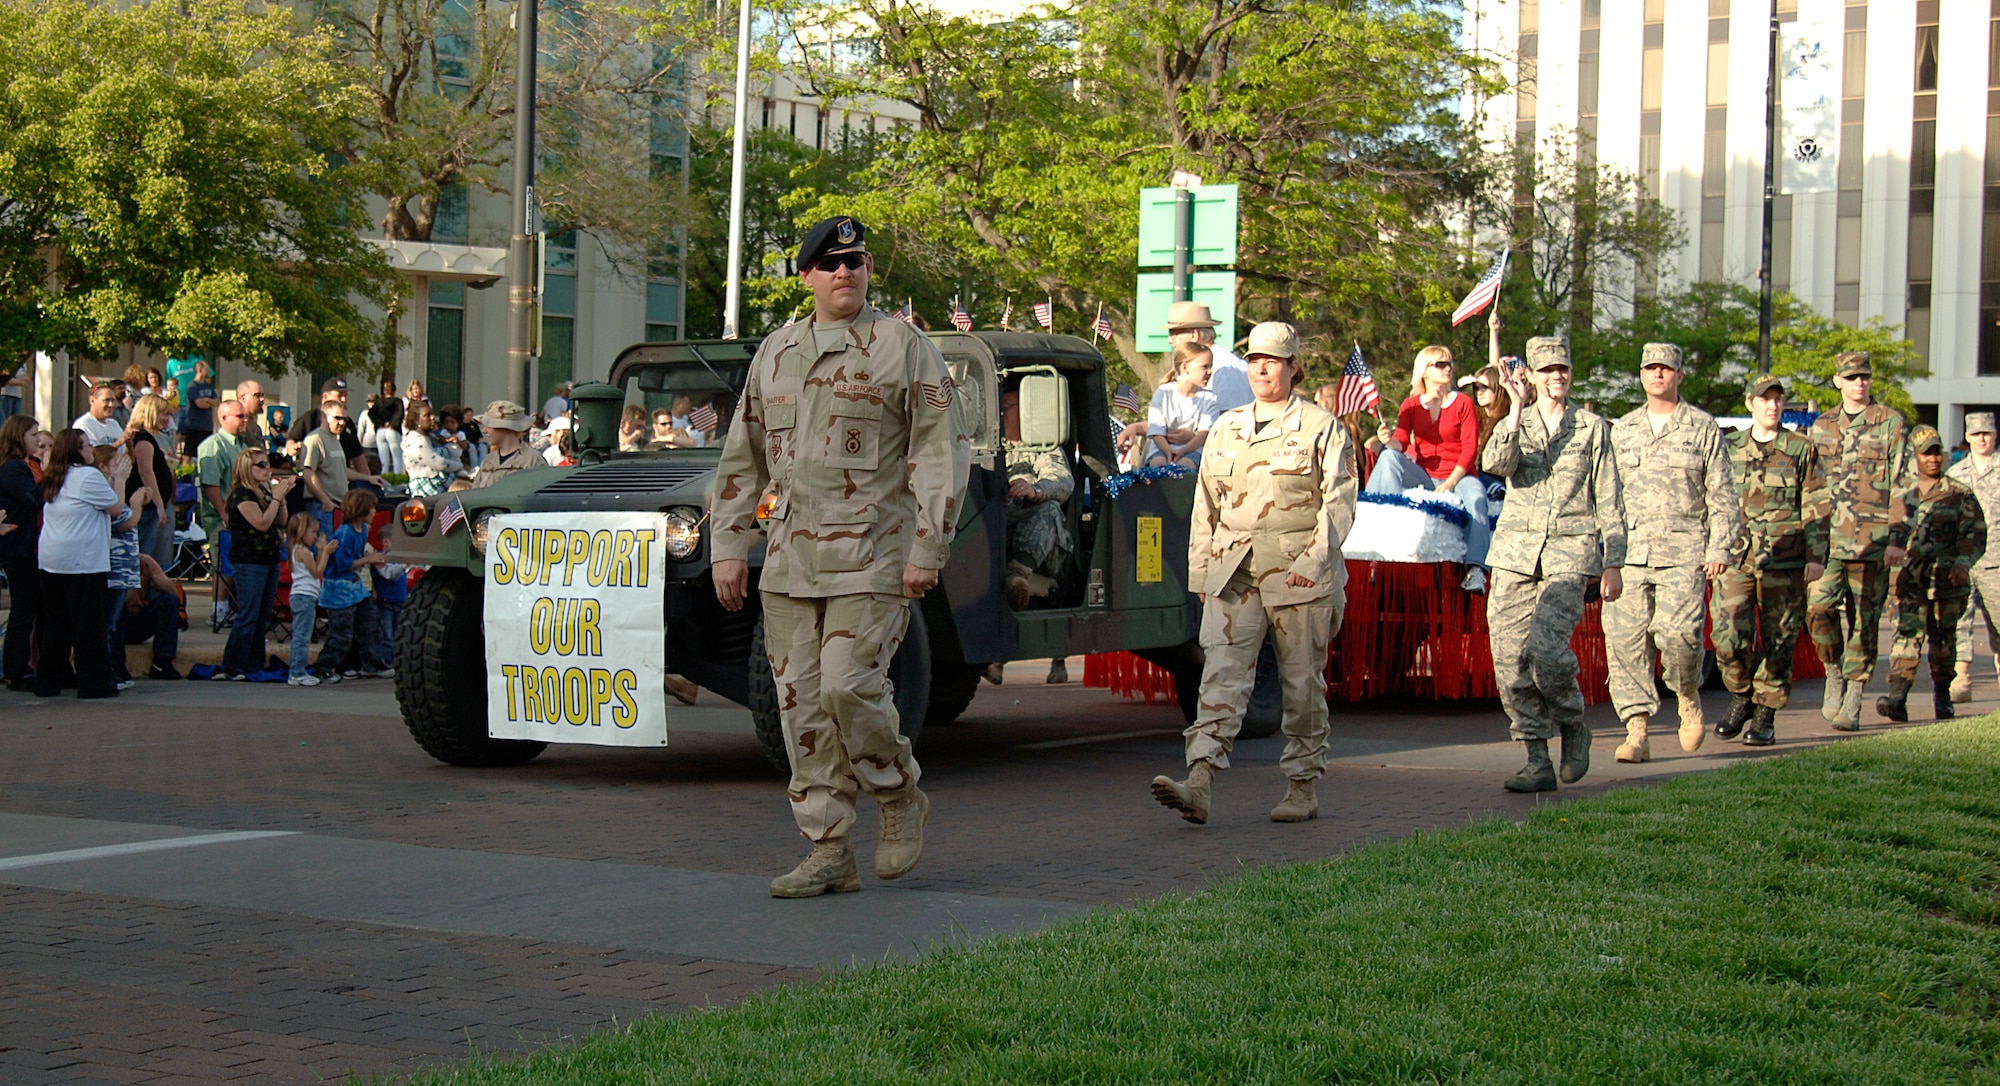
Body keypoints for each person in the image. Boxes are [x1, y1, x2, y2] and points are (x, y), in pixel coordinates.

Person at [710, 214, 968, 899]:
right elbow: (744, 455)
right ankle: (828, 849)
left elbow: (941, 450)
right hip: (791, 559)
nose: (844, 272)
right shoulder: (777, 351)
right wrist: (728, 547)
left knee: (846, 686)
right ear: (807, 277)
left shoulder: (902, 346)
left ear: (868, 271)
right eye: (830, 264)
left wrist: (929, 546)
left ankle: (897, 793)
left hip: (874, 555)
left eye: (855, 262)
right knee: (800, 707)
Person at [1150, 321, 1355, 825]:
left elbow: (1340, 502)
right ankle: (1198, 782)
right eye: (1255, 359)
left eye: (1274, 360)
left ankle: (1302, 786)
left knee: (1301, 685)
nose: (1262, 367)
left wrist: (1313, 563)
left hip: (1298, 573)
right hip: (1233, 572)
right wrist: (1201, 574)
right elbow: (1206, 506)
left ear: (1292, 367)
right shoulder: (1226, 426)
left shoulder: (1320, 426)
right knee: (1219, 679)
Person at [1482, 337, 1626, 792]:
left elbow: (1610, 496)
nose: (1556, 377)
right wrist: (1514, 410)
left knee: (1546, 652)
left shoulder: (1591, 428)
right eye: (1546, 370)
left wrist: (1614, 562)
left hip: (1569, 551)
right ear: (1531, 376)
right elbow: (1495, 463)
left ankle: (1572, 723)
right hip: (1514, 555)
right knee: (1509, 659)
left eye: (1562, 369)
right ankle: (1536, 756)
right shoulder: (1516, 421)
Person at [1602, 343, 1741, 762]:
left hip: (1684, 550)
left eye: (1666, 368)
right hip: (1629, 553)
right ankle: (1637, 730)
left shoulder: (1702, 427)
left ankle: (1686, 693)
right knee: (1625, 643)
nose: (1658, 374)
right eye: (1650, 368)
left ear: (1680, 375)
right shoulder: (1622, 430)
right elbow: (1607, 497)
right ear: (1641, 376)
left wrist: (1719, 546)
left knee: (1679, 636)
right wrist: (1604, 555)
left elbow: (1722, 494)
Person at [1713, 375, 1829, 748]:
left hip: (1786, 558)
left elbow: (1816, 503)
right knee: (1728, 636)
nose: (1772, 406)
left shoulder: (1799, 448)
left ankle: (1765, 713)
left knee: (1780, 638)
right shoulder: (1729, 447)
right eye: (1765, 400)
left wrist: (1816, 556)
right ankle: (1743, 693)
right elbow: (1712, 499)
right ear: (1750, 404)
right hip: (1737, 556)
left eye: (1778, 400)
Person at [1807, 351, 1915, 730]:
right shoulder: (1821, 426)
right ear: (1837, 380)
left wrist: (1897, 537)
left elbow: (1905, 481)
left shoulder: (1889, 422)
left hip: (1874, 540)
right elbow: (1812, 486)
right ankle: (1833, 670)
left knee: (1865, 623)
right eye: (1851, 377)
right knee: (1818, 609)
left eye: (1864, 377)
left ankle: (1853, 696)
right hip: (1829, 542)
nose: (1859, 383)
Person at [1877, 425, 1984, 722]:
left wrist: (1963, 563)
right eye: (1927, 454)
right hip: (1907, 580)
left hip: (1947, 580)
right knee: (1906, 635)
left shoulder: (1958, 493)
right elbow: (1886, 532)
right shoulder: (1900, 493)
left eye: (1937, 452)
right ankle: (1898, 696)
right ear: (1915, 457)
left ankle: (1942, 696)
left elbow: (1975, 534)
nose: (1933, 459)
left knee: (1944, 640)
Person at [1366, 345, 1494, 581]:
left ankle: (1476, 569)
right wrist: (1387, 440)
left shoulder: (1463, 403)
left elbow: (1470, 450)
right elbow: (1401, 443)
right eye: (1441, 364)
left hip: (1461, 474)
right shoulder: (1411, 405)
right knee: (1387, 457)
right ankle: (1376, 543)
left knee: (1477, 498)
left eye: (1450, 363)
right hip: (1425, 474)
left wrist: (1451, 483)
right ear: (1425, 371)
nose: (1448, 368)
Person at [35, 429, 128, 699]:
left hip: (52, 558)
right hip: (82, 560)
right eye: (87, 445)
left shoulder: (55, 475)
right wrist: (119, 479)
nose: (91, 449)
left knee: (56, 623)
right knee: (88, 625)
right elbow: (115, 507)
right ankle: (94, 682)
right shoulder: (87, 475)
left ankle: (49, 679)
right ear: (77, 450)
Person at [218, 448, 292, 679]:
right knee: (248, 613)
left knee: (263, 615)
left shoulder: (264, 491)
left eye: (266, 464)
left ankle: (253, 664)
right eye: (260, 465)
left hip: (269, 559)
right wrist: (277, 497)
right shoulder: (242, 494)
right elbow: (260, 523)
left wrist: (281, 499)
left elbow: (280, 521)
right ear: (246, 468)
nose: (265, 469)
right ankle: (233, 665)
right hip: (249, 561)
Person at [1001, 389, 1075, 611]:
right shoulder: (984, 448)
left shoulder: (1041, 448)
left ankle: (1019, 576)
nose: (999, 413)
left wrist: (1036, 489)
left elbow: (1061, 480)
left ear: (1025, 412)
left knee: (1049, 508)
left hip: (1039, 544)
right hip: (993, 532)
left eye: (1005, 407)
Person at [1945, 411, 2000, 701]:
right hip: (1964, 560)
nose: (1982, 439)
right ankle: (1961, 680)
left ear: (1995, 435)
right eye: (1976, 434)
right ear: (1967, 437)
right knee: (1960, 621)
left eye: (1987, 433)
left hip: (1997, 561)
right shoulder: (1955, 474)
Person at [314, 489, 390, 681]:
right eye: (371, 508)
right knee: (341, 634)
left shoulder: (363, 530)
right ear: (360, 509)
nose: (374, 512)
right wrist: (368, 559)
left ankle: (372, 663)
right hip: (339, 588)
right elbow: (343, 564)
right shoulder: (345, 533)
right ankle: (323, 667)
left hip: (354, 587)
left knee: (371, 622)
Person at [0, 415, 43, 690]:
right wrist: (50, 476)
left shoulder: (22, 466)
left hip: (25, 546)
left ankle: (21, 666)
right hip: (18, 548)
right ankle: (16, 670)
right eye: (32, 436)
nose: (38, 441)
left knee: (29, 610)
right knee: (22, 611)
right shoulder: (13, 468)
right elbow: (34, 500)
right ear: (18, 438)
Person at [99, 445, 147, 690]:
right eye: (118, 463)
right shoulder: (106, 488)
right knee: (109, 622)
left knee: (119, 621)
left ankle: (117, 666)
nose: (125, 467)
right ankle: (107, 670)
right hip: (111, 567)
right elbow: (122, 521)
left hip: (123, 569)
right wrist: (136, 504)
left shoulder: (115, 486)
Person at [1145, 342, 1218, 469]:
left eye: (1210, 366)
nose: (1210, 371)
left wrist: (1183, 450)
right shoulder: (1163, 392)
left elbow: (1203, 434)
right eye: (1204, 367)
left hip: (1193, 450)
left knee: (1185, 465)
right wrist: (1168, 452)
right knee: (1158, 464)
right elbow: (1157, 431)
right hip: (1161, 448)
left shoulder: (1210, 399)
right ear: (1185, 368)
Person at [125, 396, 176, 571]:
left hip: (153, 506)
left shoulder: (152, 438)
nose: (167, 418)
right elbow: (146, 472)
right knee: (145, 558)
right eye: (163, 413)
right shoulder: (143, 439)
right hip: (147, 508)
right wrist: (159, 506)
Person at [285, 514, 334, 686]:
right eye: (313, 532)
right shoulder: (303, 552)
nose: (315, 536)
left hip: (305, 596)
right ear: (302, 531)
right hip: (303, 597)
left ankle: (297, 670)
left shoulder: (298, 550)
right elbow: (317, 572)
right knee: (301, 636)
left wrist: (321, 550)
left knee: (302, 634)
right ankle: (297, 672)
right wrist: (326, 553)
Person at [118, 554, 183, 680]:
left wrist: (151, 577)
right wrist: (132, 577)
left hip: (138, 622)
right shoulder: (109, 562)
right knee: (118, 610)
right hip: (115, 624)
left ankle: (162, 662)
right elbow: (126, 601)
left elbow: (173, 591)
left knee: (170, 601)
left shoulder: (144, 561)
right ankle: (115, 665)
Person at [299, 404, 351, 535]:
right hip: (321, 508)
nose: (341, 423)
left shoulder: (335, 439)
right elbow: (307, 473)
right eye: (337, 418)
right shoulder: (314, 439)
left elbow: (341, 470)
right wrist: (325, 500)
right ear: (323, 416)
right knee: (323, 550)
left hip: (338, 506)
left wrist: (368, 478)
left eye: (345, 419)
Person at [468, 401, 547, 486]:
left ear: (506, 428)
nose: (484, 431)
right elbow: (475, 495)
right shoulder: (488, 462)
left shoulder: (533, 461)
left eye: (489, 426)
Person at [401, 403, 455, 498]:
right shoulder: (415, 440)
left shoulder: (432, 437)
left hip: (442, 487)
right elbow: (439, 463)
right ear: (416, 420)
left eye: (432, 414)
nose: (433, 417)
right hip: (426, 491)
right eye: (427, 415)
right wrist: (461, 466)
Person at [180, 360, 217, 457]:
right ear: (200, 370)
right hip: (194, 426)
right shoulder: (192, 386)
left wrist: (207, 400)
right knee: (189, 455)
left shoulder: (209, 386)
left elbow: (217, 402)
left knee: (207, 454)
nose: (209, 371)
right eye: (207, 368)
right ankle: (183, 472)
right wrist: (209, 402)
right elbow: (200, 404)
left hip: (207, 426)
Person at [73, 381, 124, 449]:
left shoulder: (114, 424)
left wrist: (129, 445)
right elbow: (94, 455)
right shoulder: (84, 424)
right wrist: (119, 442)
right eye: (106, 400)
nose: (111, 405)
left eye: (113, 400)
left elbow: (125, 454)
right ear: (92, 400)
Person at [368, 384, 404, 475]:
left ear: (384, 391)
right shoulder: (397, 402)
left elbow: (371, 413)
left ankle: (384, 479)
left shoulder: (379, 402)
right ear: (394, 391)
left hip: (381, 431)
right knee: (397, 458)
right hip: (392, 431)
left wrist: (380, 423)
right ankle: (397, 479)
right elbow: (399, 414)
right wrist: (392, 424)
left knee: (383, 460)